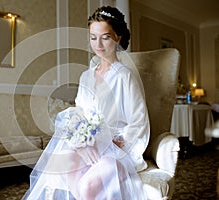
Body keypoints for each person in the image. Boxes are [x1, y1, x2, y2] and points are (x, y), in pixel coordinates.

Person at [23, 6, 150, 200]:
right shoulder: (86, 77)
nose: (98, 44)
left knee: (88, 186)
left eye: (105, 37)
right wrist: (81, 142)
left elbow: (139, 122)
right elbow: (79, 114)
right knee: (59, 166)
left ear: (118, 37)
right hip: (89, 144)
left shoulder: (125, 77)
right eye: (93, 37)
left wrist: (115, 143)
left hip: (118, 149)